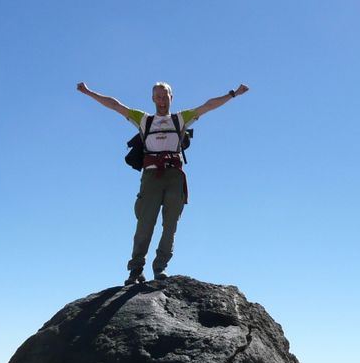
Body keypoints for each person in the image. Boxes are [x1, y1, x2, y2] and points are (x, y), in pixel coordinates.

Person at [77, 81, 249, 285]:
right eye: (157, 96)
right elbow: (115, 105)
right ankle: (135, 270)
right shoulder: (144, 120)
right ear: (152, 99)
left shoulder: (180, 119)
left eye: (165, 95)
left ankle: (160, 267)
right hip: (151, 177)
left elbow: (208, 106)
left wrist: (233, 94)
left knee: (170, 225)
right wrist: (88, 92)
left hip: (174, 176)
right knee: (144, 224)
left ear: (171, 97)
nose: (161, 99)